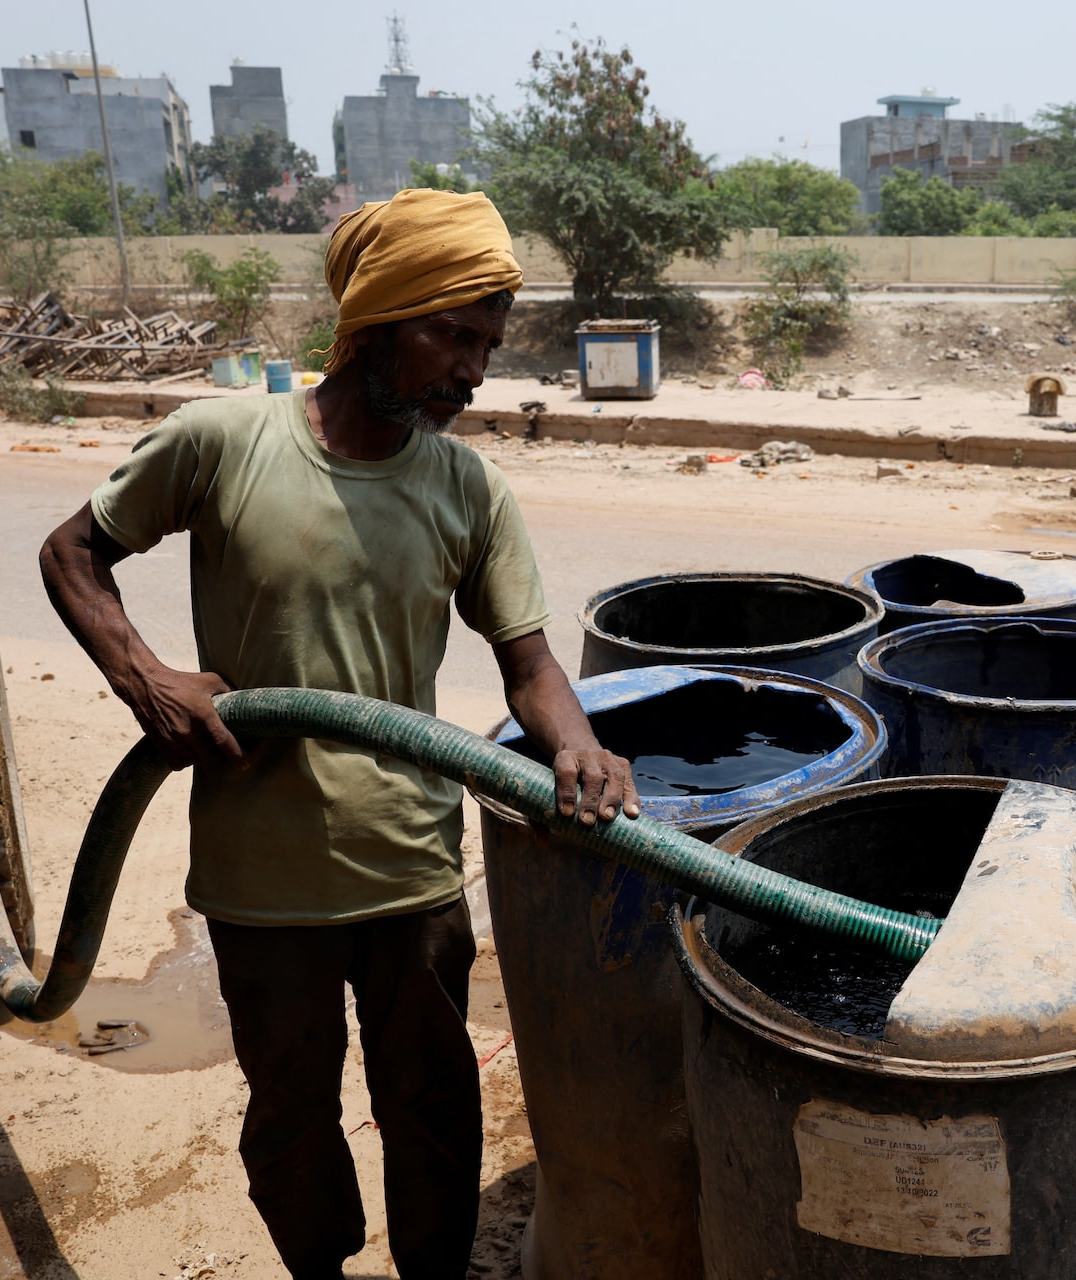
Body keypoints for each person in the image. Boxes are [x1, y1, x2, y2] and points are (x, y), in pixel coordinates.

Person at [39, 188, 636, 1279]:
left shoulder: (467, 486)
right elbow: (72, 552)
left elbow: (530, 659)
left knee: (435, 1116)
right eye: (453, 335)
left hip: (410, 870)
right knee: (292, 1122)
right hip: (262, 882)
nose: (474, 370)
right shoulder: (222, 441)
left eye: (488, 345)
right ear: (378, 322)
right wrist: (149, 678)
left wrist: (575, 743)